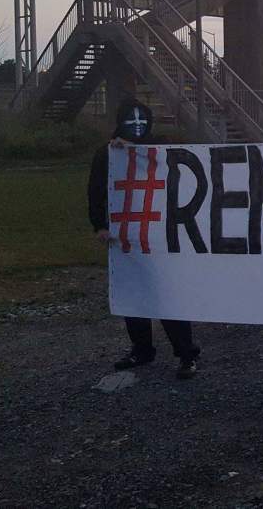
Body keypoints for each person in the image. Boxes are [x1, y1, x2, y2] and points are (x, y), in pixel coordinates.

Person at [88, 98, 201, 379]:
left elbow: (175, 161)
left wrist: (136, 150)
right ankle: (141, 349)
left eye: (142, 120)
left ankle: (186, 354)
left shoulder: (159, 147)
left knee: (167, 293)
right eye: (131, 120)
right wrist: (99, 225)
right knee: (134, 294)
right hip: (126, 235)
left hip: (160, 233)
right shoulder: (107, 154)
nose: (137, 125)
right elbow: (96, 191)